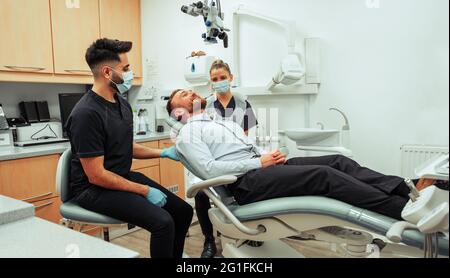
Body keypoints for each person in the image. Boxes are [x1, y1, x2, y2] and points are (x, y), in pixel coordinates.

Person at [166, 89, 419, 221]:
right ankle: (403, 209)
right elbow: (209, 169)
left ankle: (407, 189)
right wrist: (259, 162)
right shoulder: (187, 134)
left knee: (338, 161)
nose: (192, 93)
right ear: (178, 113)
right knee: (324, 175)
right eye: (183, 95)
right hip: (244, 183)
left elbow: (249, 149)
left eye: (190, 91)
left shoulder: (222, 123)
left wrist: (269, 156)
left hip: (262, 169)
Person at [67, 38, 193, 258]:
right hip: (92, 189)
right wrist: (144, 190)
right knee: (162, 222)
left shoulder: (121, 103)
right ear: (107, 72)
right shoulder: (86, 114)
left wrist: (163, 153)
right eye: (125, 68)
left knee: (183, 212)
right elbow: (96, 175)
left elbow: (124, 145)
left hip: (119, 176)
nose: (130, 72)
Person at [195, 60, 259, 258]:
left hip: (239, 157)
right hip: (214, 160)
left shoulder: (243, 103)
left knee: (252, 186)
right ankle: (209, 241)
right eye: (215, 79)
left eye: (223, 78)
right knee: (200, 193)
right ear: (210, 82)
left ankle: (249, 231)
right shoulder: (205, 106)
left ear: (231, 78)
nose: (219, 82)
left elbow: (247, 137)